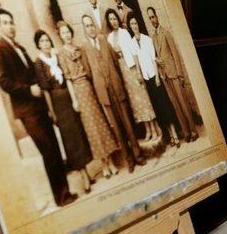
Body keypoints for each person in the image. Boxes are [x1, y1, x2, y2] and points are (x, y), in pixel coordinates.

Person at [0, 9, 75, 207]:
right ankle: (61, 197)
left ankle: (66, 192)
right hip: (27, 110)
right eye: (5, 22)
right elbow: (4, 81)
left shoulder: (20, 47)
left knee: (54, 148)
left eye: (11, 22)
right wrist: (29, 90)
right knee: (48, 151)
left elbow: (32, 74)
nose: (10, 26)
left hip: (39, 107)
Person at [80, 14, 146, 173]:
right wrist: (101, 84)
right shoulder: (85, 49)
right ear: (84, 29)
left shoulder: (105, 41)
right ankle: (128, 159)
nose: (90, 28)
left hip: (117, 88)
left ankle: (137, 155)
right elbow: (88, 73)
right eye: (87, 26)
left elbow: (116, 62)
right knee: (117, 129)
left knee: (128, 123)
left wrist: (115, 81)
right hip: (105, 94)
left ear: (95, 26)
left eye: (91, 25)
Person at [57, 22, 119, 180]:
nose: (67, 35)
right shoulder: (62, 54)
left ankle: (111, 161)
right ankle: (104, 165)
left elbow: (89, 70)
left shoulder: (80, 49)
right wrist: (74, 100)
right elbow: (68, 79)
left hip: (89, 88)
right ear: (61, 36)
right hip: (78, 91)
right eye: (63, 33)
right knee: (91, 129)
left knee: (101, 124)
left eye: (68, 32)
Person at [34, 30, 93, 193]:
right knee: (70, 140)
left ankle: (86, 172)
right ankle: (83, 178)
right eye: (42, 42)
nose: (46, 44)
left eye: (47, 41)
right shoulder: (39, 62)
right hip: (57, 104)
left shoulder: (57, 57)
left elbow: (66, 77)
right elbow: (45, 90)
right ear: (38, 45)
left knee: (79, 135)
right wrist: (51, 111)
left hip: (68, 99)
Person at [127, 12, 181, 147]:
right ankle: (169, 135)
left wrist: (157, 76)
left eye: (136, 23)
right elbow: (137, 62)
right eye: (132, 24)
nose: (134, 26)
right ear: (130, 26)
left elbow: (153, 59)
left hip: (155, 77)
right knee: (159, 109)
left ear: (139, 24)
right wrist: (139, 75)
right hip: (146, 80)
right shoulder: (132, 43)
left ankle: (175, 134)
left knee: (165, 106)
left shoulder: (147, 39)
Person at [147, 6, 199, 142]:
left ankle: (193, 131)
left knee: (183, 103)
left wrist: (180, 74)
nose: (152, 20)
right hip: (165, 76)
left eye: (153, 16)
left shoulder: (166, 33)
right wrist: (158, 61)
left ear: (157, 17)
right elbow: (156, 56)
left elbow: (175, 54)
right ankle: (186, 132)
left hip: (174, 74)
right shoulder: (153, 37)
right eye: (150, 18)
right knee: (175, 105)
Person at [105, 9, 157, 140]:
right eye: (111, 19)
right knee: (135, 102)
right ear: (108, 22)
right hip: (122, 71)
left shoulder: (125, 33)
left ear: (118, 19)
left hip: (132, 68)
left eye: (115, 18)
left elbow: (134, 53)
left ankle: (155, 127)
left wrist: (138, 72)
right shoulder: (109, 37)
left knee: (143, 98)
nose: (113, 21)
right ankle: (147, 129)